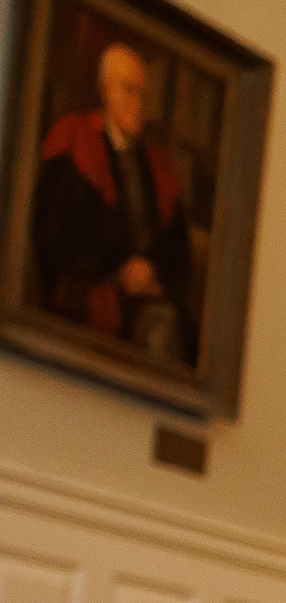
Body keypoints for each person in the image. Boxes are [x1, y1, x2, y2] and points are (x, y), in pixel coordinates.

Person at [32, 39, 198, 365]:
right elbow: (52, 240)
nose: (139, 104)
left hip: (153, 294)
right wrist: (117, 271)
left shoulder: (157, 165)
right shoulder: (73, 145)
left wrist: (151, 268)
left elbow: (181, 251)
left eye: (143, 94)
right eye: (129, 91)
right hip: (90, 290)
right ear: (107, 91)